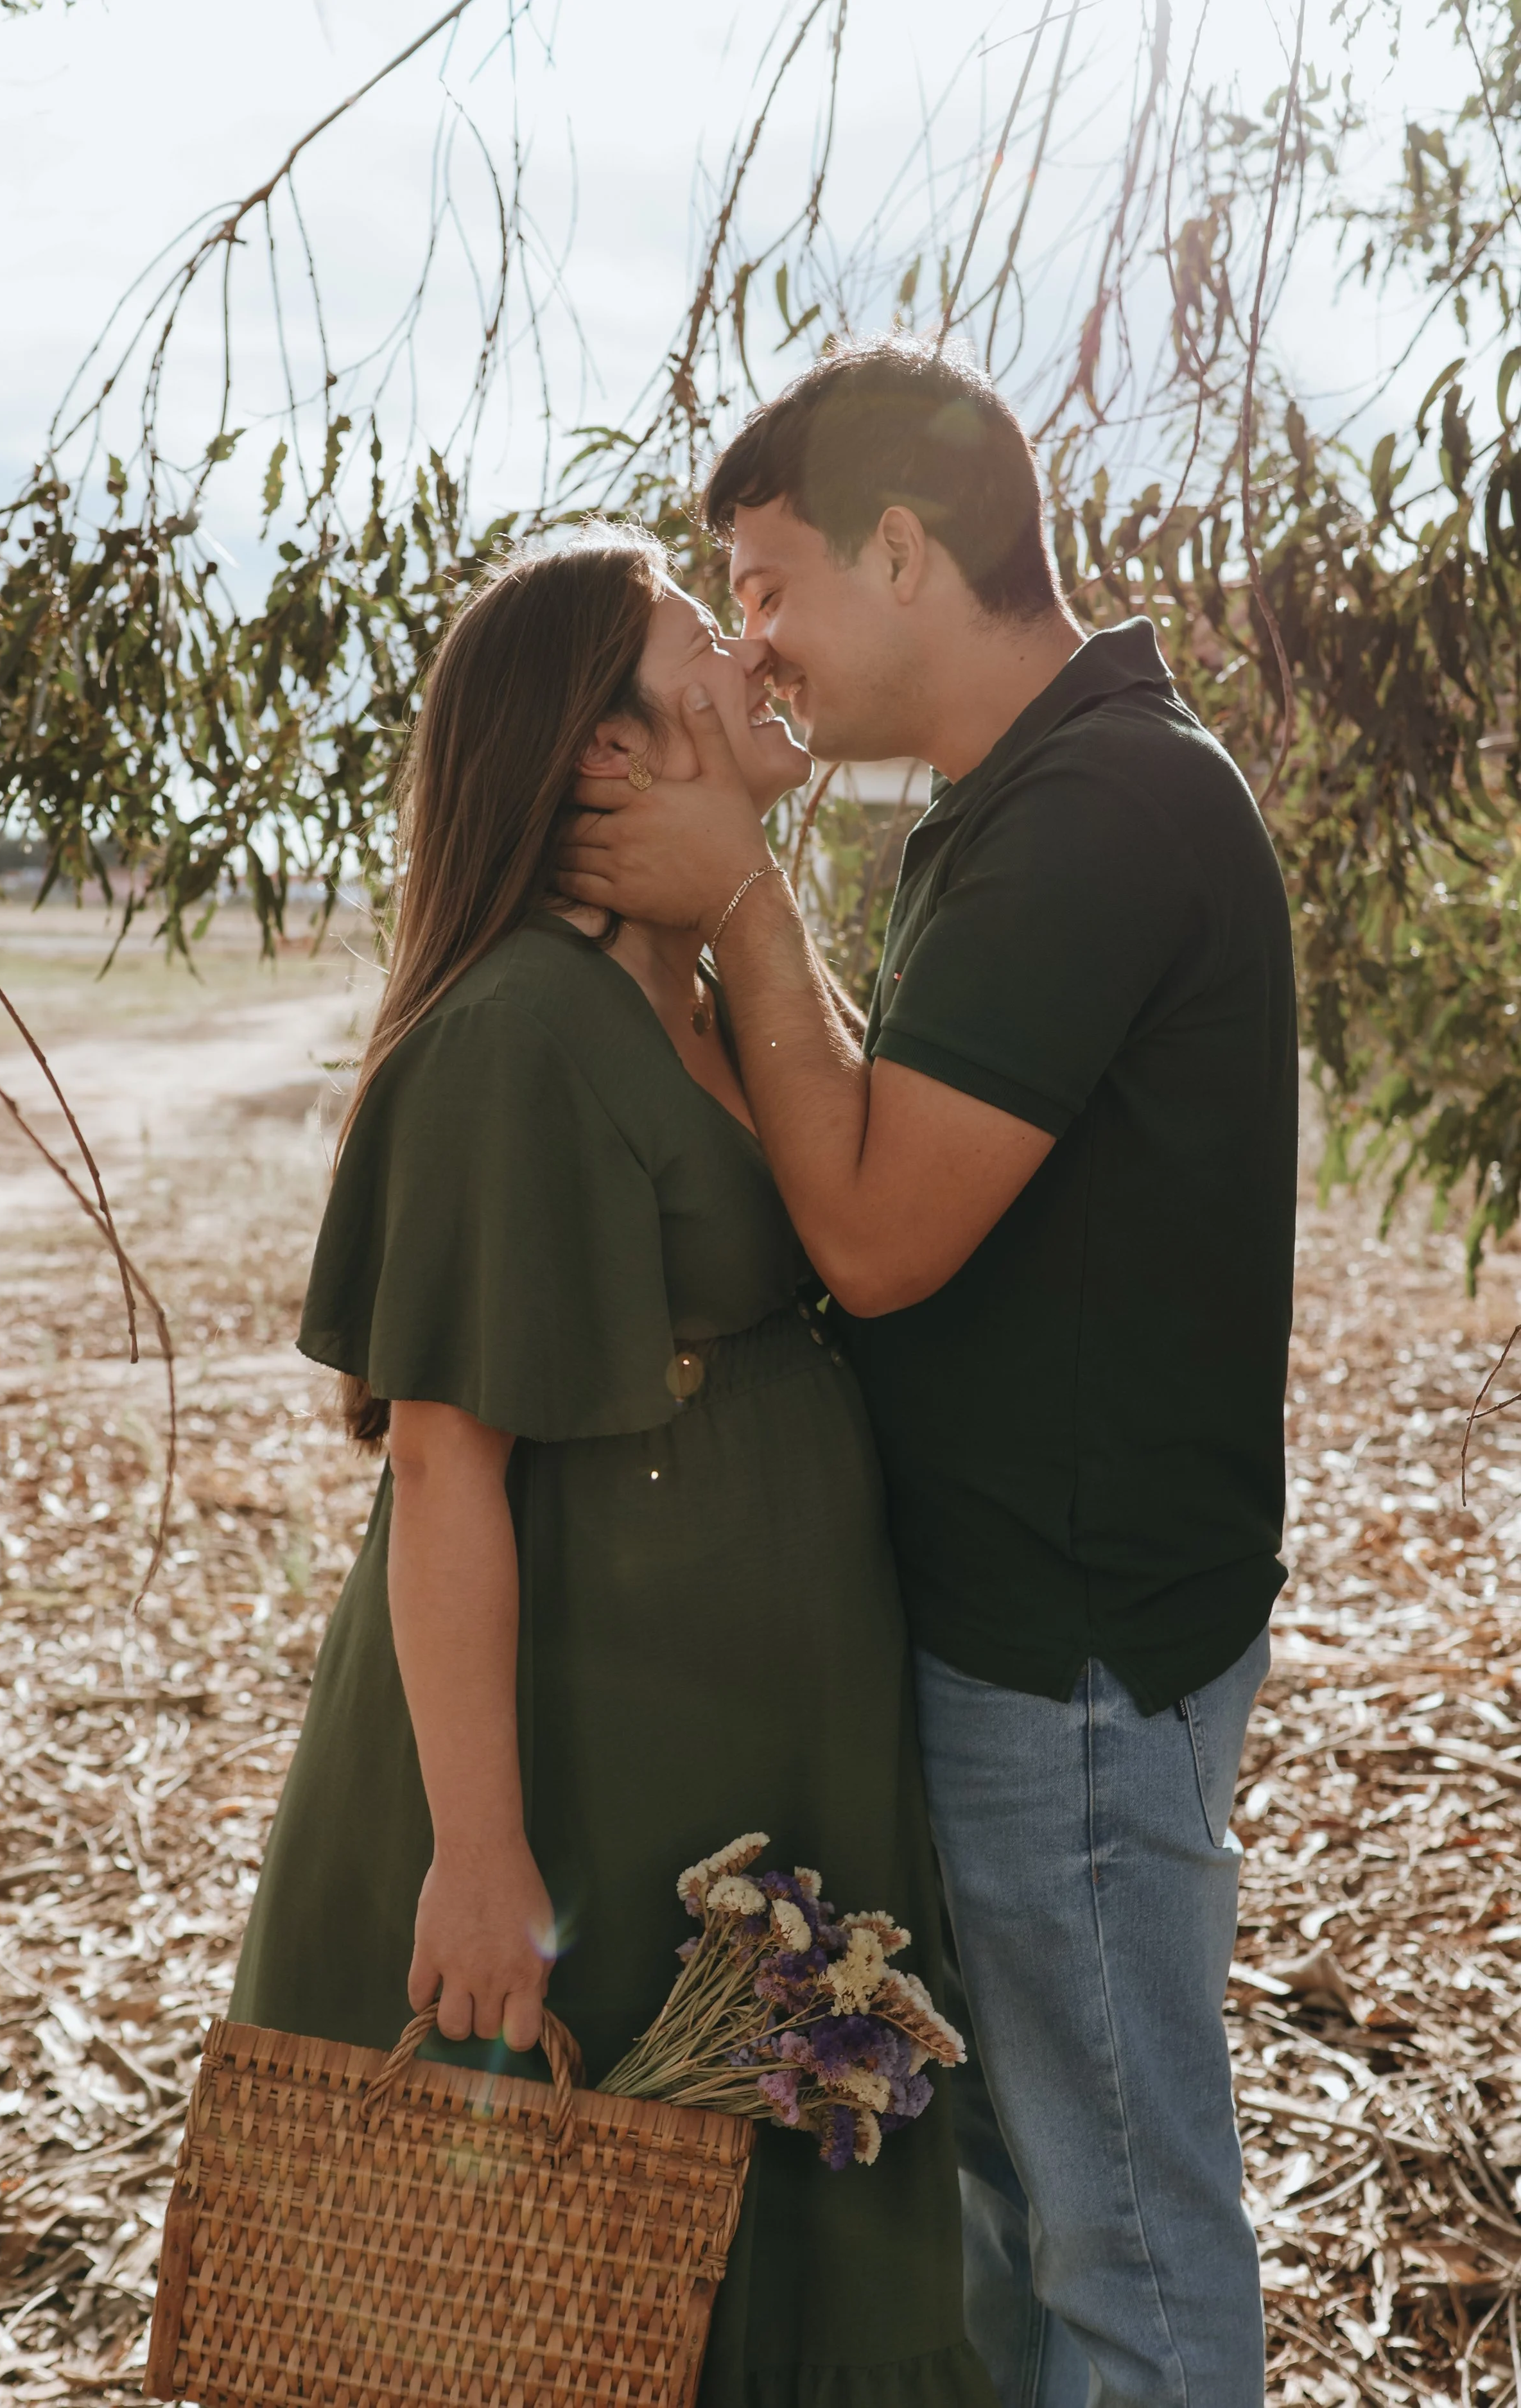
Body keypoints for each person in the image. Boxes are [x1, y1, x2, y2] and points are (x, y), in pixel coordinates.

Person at [557, 338, 1298, 2408]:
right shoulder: (1020, 805)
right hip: (1034, 1635)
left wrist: (749, 913)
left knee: (1120, 2248)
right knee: (1025, 2204)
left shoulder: (1103, 811)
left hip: (1069, 1652)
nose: (755, 642)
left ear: (902, 546)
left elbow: (878, 1233)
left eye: (767, 582)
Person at [229, 527, 998, 2408]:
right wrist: (480, 1856)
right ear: (604, 752)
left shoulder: (705, 1000)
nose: (749, 662)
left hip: (737, 1763)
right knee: (544, 2301)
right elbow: (442, 1468)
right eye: (696, 646)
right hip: (584, 1774)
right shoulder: (521, 1032)